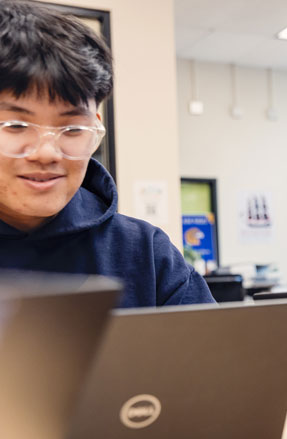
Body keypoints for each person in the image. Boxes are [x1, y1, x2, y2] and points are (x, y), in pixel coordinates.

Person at [0, 0, 213, 308]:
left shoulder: (146, 253)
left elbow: (215, 354)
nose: (47, 153)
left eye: (72, 129)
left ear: (94, 130)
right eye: (17, 125)